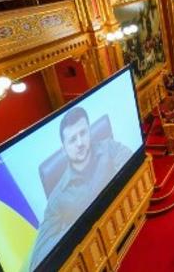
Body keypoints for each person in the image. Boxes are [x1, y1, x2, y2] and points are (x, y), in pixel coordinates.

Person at [30, 107, 133, 270]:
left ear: (90, 133)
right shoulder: (56, 198)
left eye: (83, 134)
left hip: (126, 220)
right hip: (94, 256)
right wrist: (75, 224)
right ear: (64, 149)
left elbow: (130, 162)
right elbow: (38, 259)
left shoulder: (108, 147)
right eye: (72, 140)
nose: (80, 143)